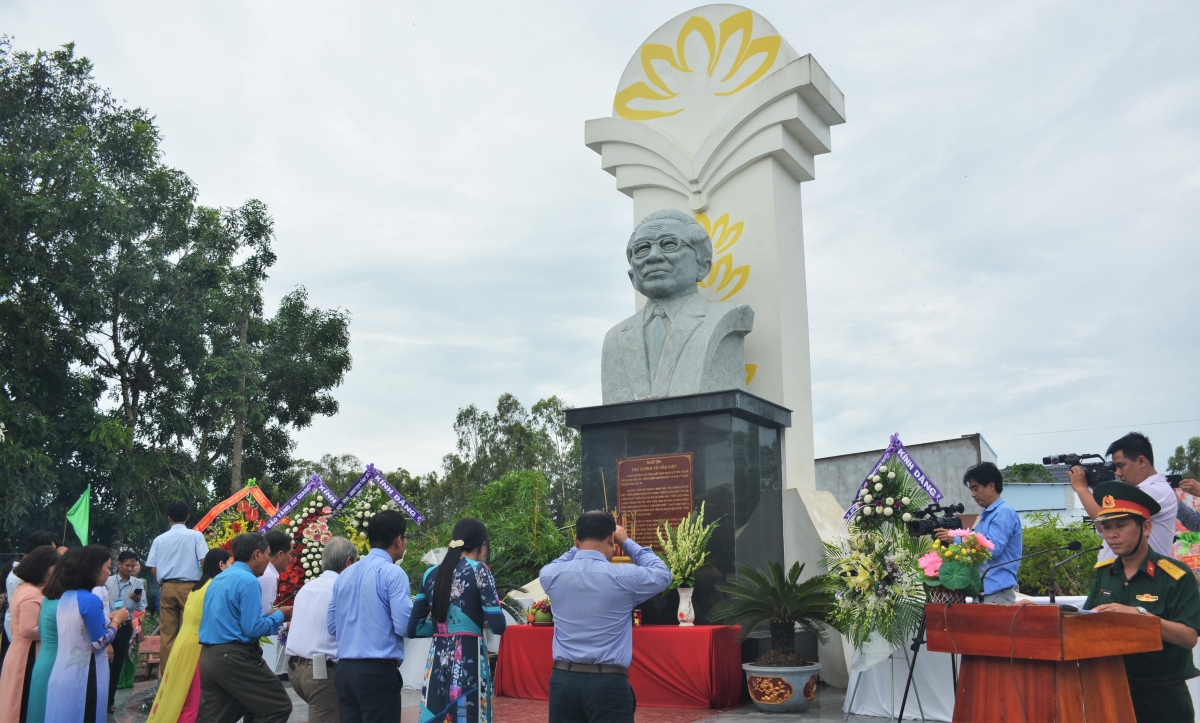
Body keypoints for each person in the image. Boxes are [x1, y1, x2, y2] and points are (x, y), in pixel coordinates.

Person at [600, 209, 754, 404]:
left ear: (703, 266)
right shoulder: (615, 337)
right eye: (642, 249)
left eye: (669, 244)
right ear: (633, 276)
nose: (653, 256)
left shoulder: (726, 318)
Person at [1083, 481, 1200, 721]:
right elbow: (1084, 623)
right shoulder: (1104, 573)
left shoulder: (1175, 576)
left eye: (1120, 525)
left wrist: (1141, 617)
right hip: (1110, 694)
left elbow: (1189, 637)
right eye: (1105, 527)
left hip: (1162, 699)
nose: (1111, 534)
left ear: (1146, 527)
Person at [541, 511, 672, 723]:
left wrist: (578, 547)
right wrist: (627, 541)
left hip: (563, 682)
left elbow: (556, 564)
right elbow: (663, 574)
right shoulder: (624, 576)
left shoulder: (551, 575)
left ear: (576, 540)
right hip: (608, 684)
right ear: (611, 538)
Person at [408, 518, 508, 723]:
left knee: (436, 715)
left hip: (436, 664)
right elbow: (498, 625)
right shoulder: (479, 570)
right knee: (466, 715)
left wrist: (441, 628)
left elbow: (414, 629)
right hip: (468, 661)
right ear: (483, 546)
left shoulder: (431, 574)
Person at [197, 533, 293, 723]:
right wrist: (281, 616)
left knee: (217, 718)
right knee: (277, 706)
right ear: (257, 554)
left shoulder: (220, 578)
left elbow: (233, 621)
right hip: (234, 657)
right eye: (267, 554)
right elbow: (252, 629)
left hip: (209, 657)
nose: (268, 561)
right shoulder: (248, 581)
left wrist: (269, 615)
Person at [328, 509, 412, 723]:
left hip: (345, 670)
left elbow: (332, 626)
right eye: (405, 537)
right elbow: (404, 626)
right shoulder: (393, 573)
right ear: (398, 540)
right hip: (377, 673)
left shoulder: (344, 575)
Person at [30, 545, 129, 722]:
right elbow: (100, 642)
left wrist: (107, 618)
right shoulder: (91, 599)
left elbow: (80, 625)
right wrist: (117, 620)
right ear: (93, 569)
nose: (109, 572)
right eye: (107, 567)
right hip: (85, 675)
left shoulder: (66, 596)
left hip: (63, 671)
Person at [147, 548, 231, 723]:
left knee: (178, 694)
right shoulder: (214, 587)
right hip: (197, 647)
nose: (232, 568)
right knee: (192, 699)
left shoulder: (197, 587)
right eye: (230, 564)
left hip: (183, 642)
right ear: (221, 565)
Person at [1070, 432, 1177, 563]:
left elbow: (1103, 514)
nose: (1118, 473)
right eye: (1115, 467)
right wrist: (1094, 486)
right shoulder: (1139, 491)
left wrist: (1081, 488)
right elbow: (1102, 525)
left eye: (1121, 466)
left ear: (1142, 461)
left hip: (1144, 578)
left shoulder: (1156, 491)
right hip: (1118, 577)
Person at [285, 536, 357, 723]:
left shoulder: (307, 588)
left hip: (295, 670)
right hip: (320, 673)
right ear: (348, 562)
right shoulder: (342, 588)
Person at [933, 462, 1023, 603]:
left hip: (997, 594)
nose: (973, 495)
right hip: (981, 592)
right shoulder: (985, 517)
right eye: (971, 490)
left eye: (976, 488)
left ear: (991, 486)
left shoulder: (1004, 512)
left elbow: (992, 549)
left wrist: (956, 540)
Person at [146, 500, 207, 671]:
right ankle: (191, 674)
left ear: (168, 518)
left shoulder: (159, 539)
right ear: (188, 517)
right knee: (192, 632)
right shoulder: (196, 536)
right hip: (190, 587)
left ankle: (168, 676)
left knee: (167, 635)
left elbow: (153, 569)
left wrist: (163, 584)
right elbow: (204, 561)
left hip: (166, 587)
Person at [0, 546, 58, 723]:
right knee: (22, 698)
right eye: (54, 567)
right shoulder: (32, 594)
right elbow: (28, 630)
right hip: (27, 655)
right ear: (44, 567)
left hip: (20, 650)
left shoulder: (25, 588)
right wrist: (55, 632)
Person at [104, 550, 148, 713]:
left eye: (133, 565)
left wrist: (137, 601)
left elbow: (141, 606)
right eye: (127, 565)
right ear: (119, 564)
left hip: (125, 626)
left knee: (116, 665)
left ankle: (110, 701)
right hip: (108, 624)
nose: (130, 569)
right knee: (104, 664)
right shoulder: (108, 582)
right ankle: (99, 699)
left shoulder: (137, 583)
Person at [4, 531, 59, 643]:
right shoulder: (25, 581)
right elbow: (28, 629)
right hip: (25, 640)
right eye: (51, 552)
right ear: (39, 552)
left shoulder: (23, 574)